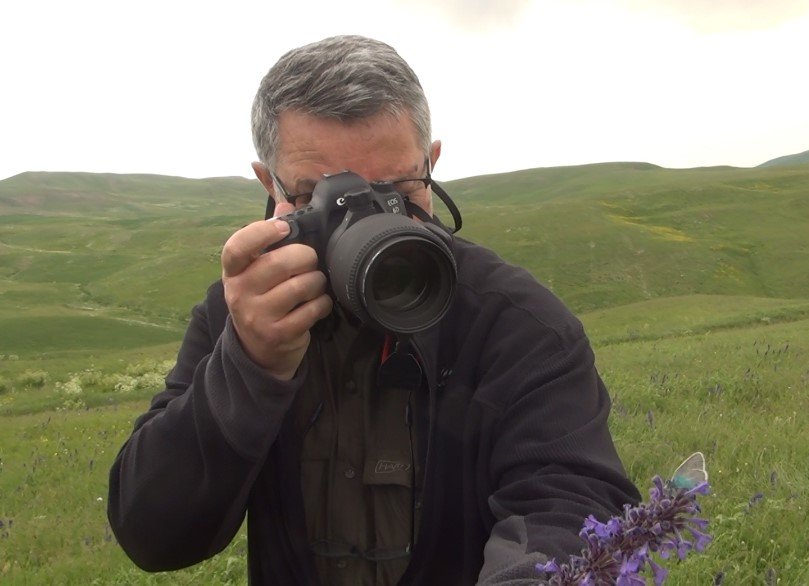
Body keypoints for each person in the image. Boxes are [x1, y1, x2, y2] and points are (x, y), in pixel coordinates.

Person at [108, 35, 641, 585]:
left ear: (430, 167)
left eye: (392, 190)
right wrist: (250, 365)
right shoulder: (244, 314)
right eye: (322, 197)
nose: (362, 225)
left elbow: (572, 504)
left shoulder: (516, 322)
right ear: (270, 185)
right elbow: (152, 534)